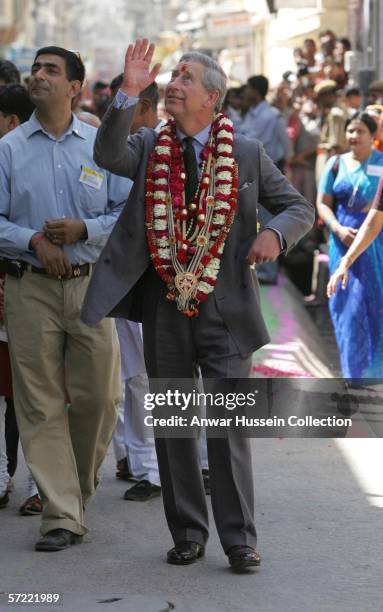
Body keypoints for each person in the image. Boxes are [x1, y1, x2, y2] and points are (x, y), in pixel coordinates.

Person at [81, 39, 314, 569]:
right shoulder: (146, 145)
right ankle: (187, 531)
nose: (174, 84)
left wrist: (275, 236)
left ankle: (239, 539)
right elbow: (106, 154)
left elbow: (297, 207)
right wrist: (128, 92)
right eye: (173, 77)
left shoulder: (247, 152)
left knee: (228, 426)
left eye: (185, 77)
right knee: (176, 425)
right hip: (166, 306)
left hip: (226, 310)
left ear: (212, 98)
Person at [0, 46, 130, 552]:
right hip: (30, 289)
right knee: (40, 405)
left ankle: (73, 491)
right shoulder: (8, 149)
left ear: (74, 87)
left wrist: (83, 229)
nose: (38, 76)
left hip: (90, 285)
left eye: (50, 70)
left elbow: (125, 212)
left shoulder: (102, 146)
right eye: (35, 68)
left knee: (101, 398)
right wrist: (33, 241)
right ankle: (59, 512)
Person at [317, 112, 383, 379]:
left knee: (371, 303)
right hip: (341, 239)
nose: (354, 136)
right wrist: (337, 229)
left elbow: (376, 211)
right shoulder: (335, 163)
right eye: (351, 131)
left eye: (360, 131)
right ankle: (352, 373)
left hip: (374, 243)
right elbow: (322, 202)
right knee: (344, 306)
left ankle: (374, 372)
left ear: (373, 136)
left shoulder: (380, 163)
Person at [235, 74, 290, 171]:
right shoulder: (251, 113)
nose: (245, 92)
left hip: (266, 169)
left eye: (248, 88)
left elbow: (250, 140)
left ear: (256, 91)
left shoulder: (269, 114)